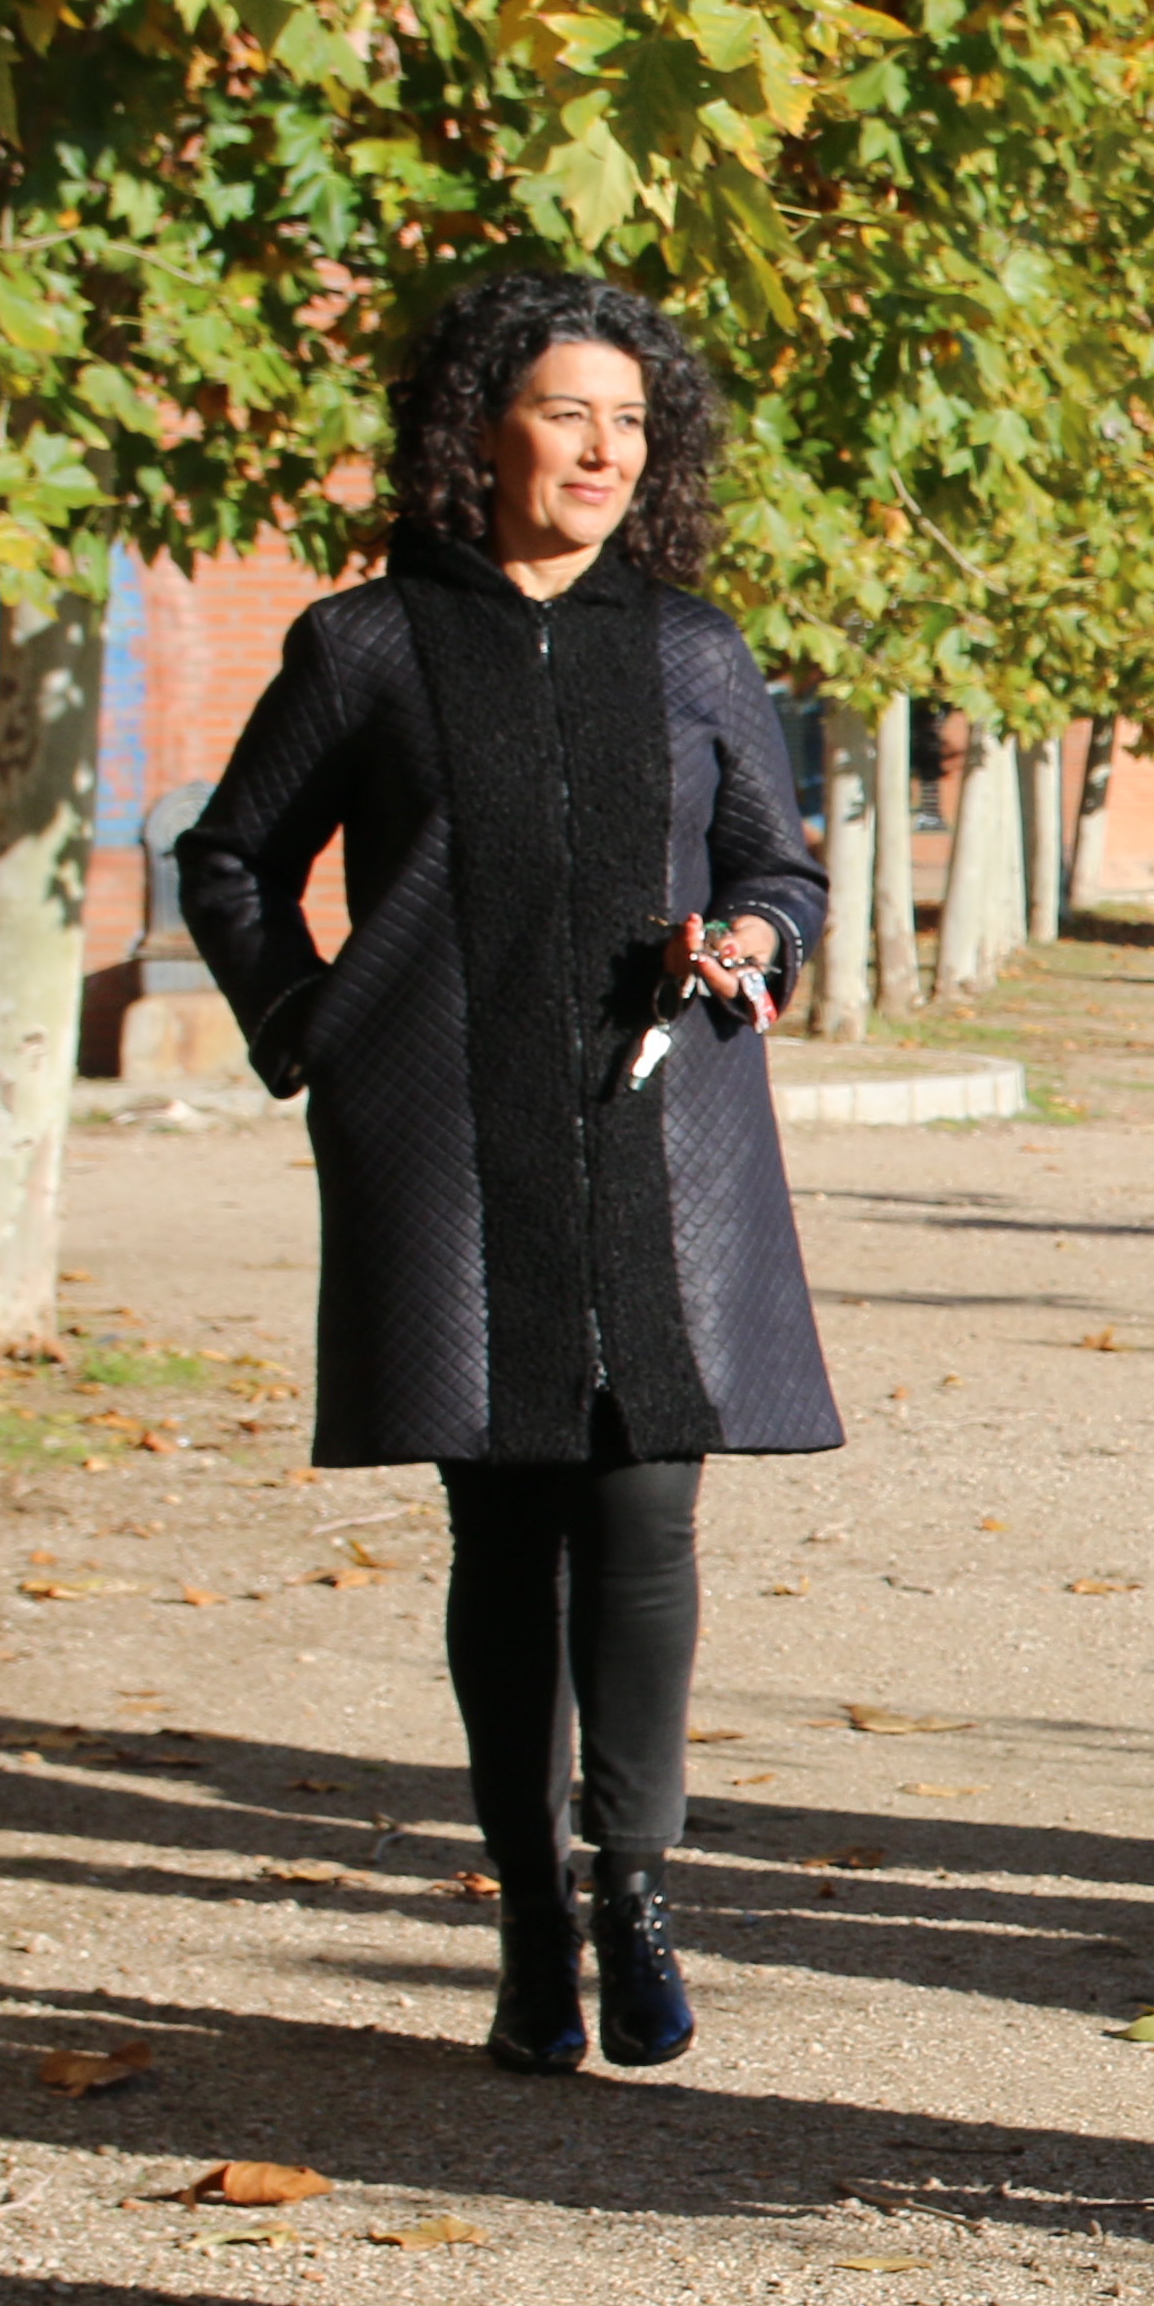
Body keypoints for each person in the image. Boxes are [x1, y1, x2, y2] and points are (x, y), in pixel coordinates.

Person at [179, 272, 836, 2080]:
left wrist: (757, 946)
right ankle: (526, 1923)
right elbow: (231, 861)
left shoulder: (692, 649)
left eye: (633, 424)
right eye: (570, 414)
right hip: (455, 1156)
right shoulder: (366, 646)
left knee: (646, 1527)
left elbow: (786, 869)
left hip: (663, 1141)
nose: (607, 451)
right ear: (484, 431)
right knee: (507, 1542)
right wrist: (314, 1028)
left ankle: (636, 1892)